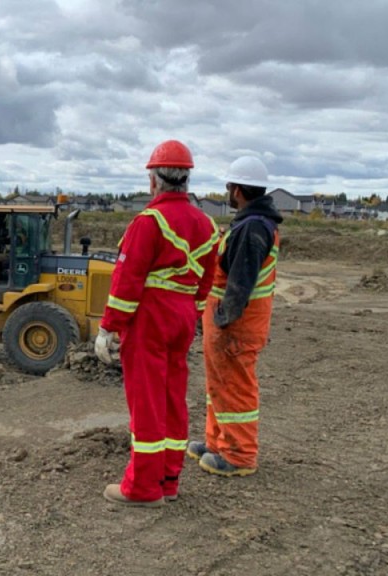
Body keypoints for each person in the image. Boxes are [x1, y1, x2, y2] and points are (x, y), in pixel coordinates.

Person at [95, 140, 219, 507]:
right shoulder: (208, 224)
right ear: (186, 180)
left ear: (154, 180)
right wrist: (190, 314)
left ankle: (143, 488)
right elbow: (206, 282)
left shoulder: (149, 222)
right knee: (171, 399)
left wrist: (108, 328)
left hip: (150, 318)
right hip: (182, 318)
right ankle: (168, 480)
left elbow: (126, 280)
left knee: (146, 401)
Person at [188, 156, 282, 477]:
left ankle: (239, 455)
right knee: (219, 385)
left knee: (235, 386)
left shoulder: (253, 227)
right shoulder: (251, 223)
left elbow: (240, 282)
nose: (228, 192)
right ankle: (218, 443)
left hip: (236, 326)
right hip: (229, 322)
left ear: (238, 189)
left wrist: (224, 320)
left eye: (229, 186)